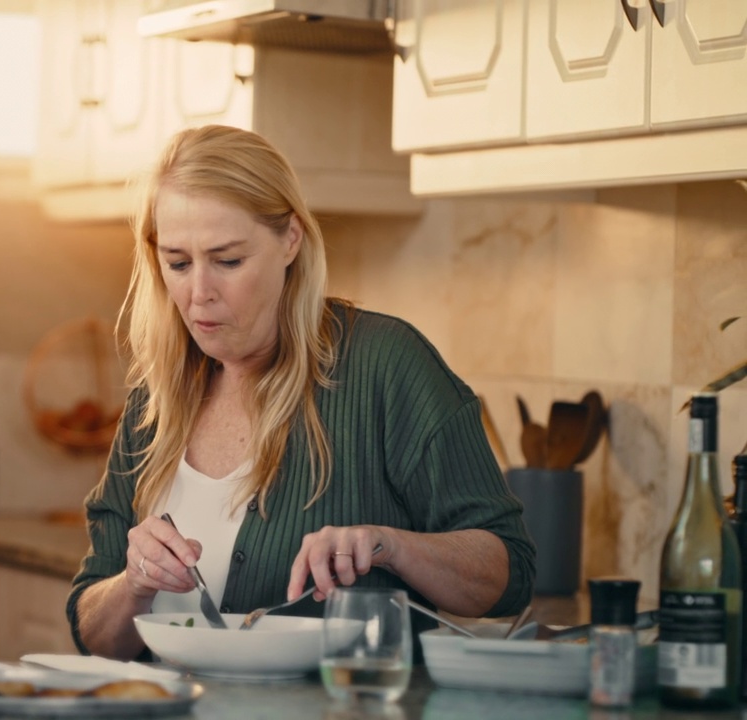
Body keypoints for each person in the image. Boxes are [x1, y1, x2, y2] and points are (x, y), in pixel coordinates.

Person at [67, 125, 534, 660]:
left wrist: (390, 545)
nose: (199, 294)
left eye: (228, 260)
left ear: (290, 239)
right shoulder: (155, 401)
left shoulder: (385, 366)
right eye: (177, 263)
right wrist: (134, 583)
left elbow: (509, 572)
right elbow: (94, 635)